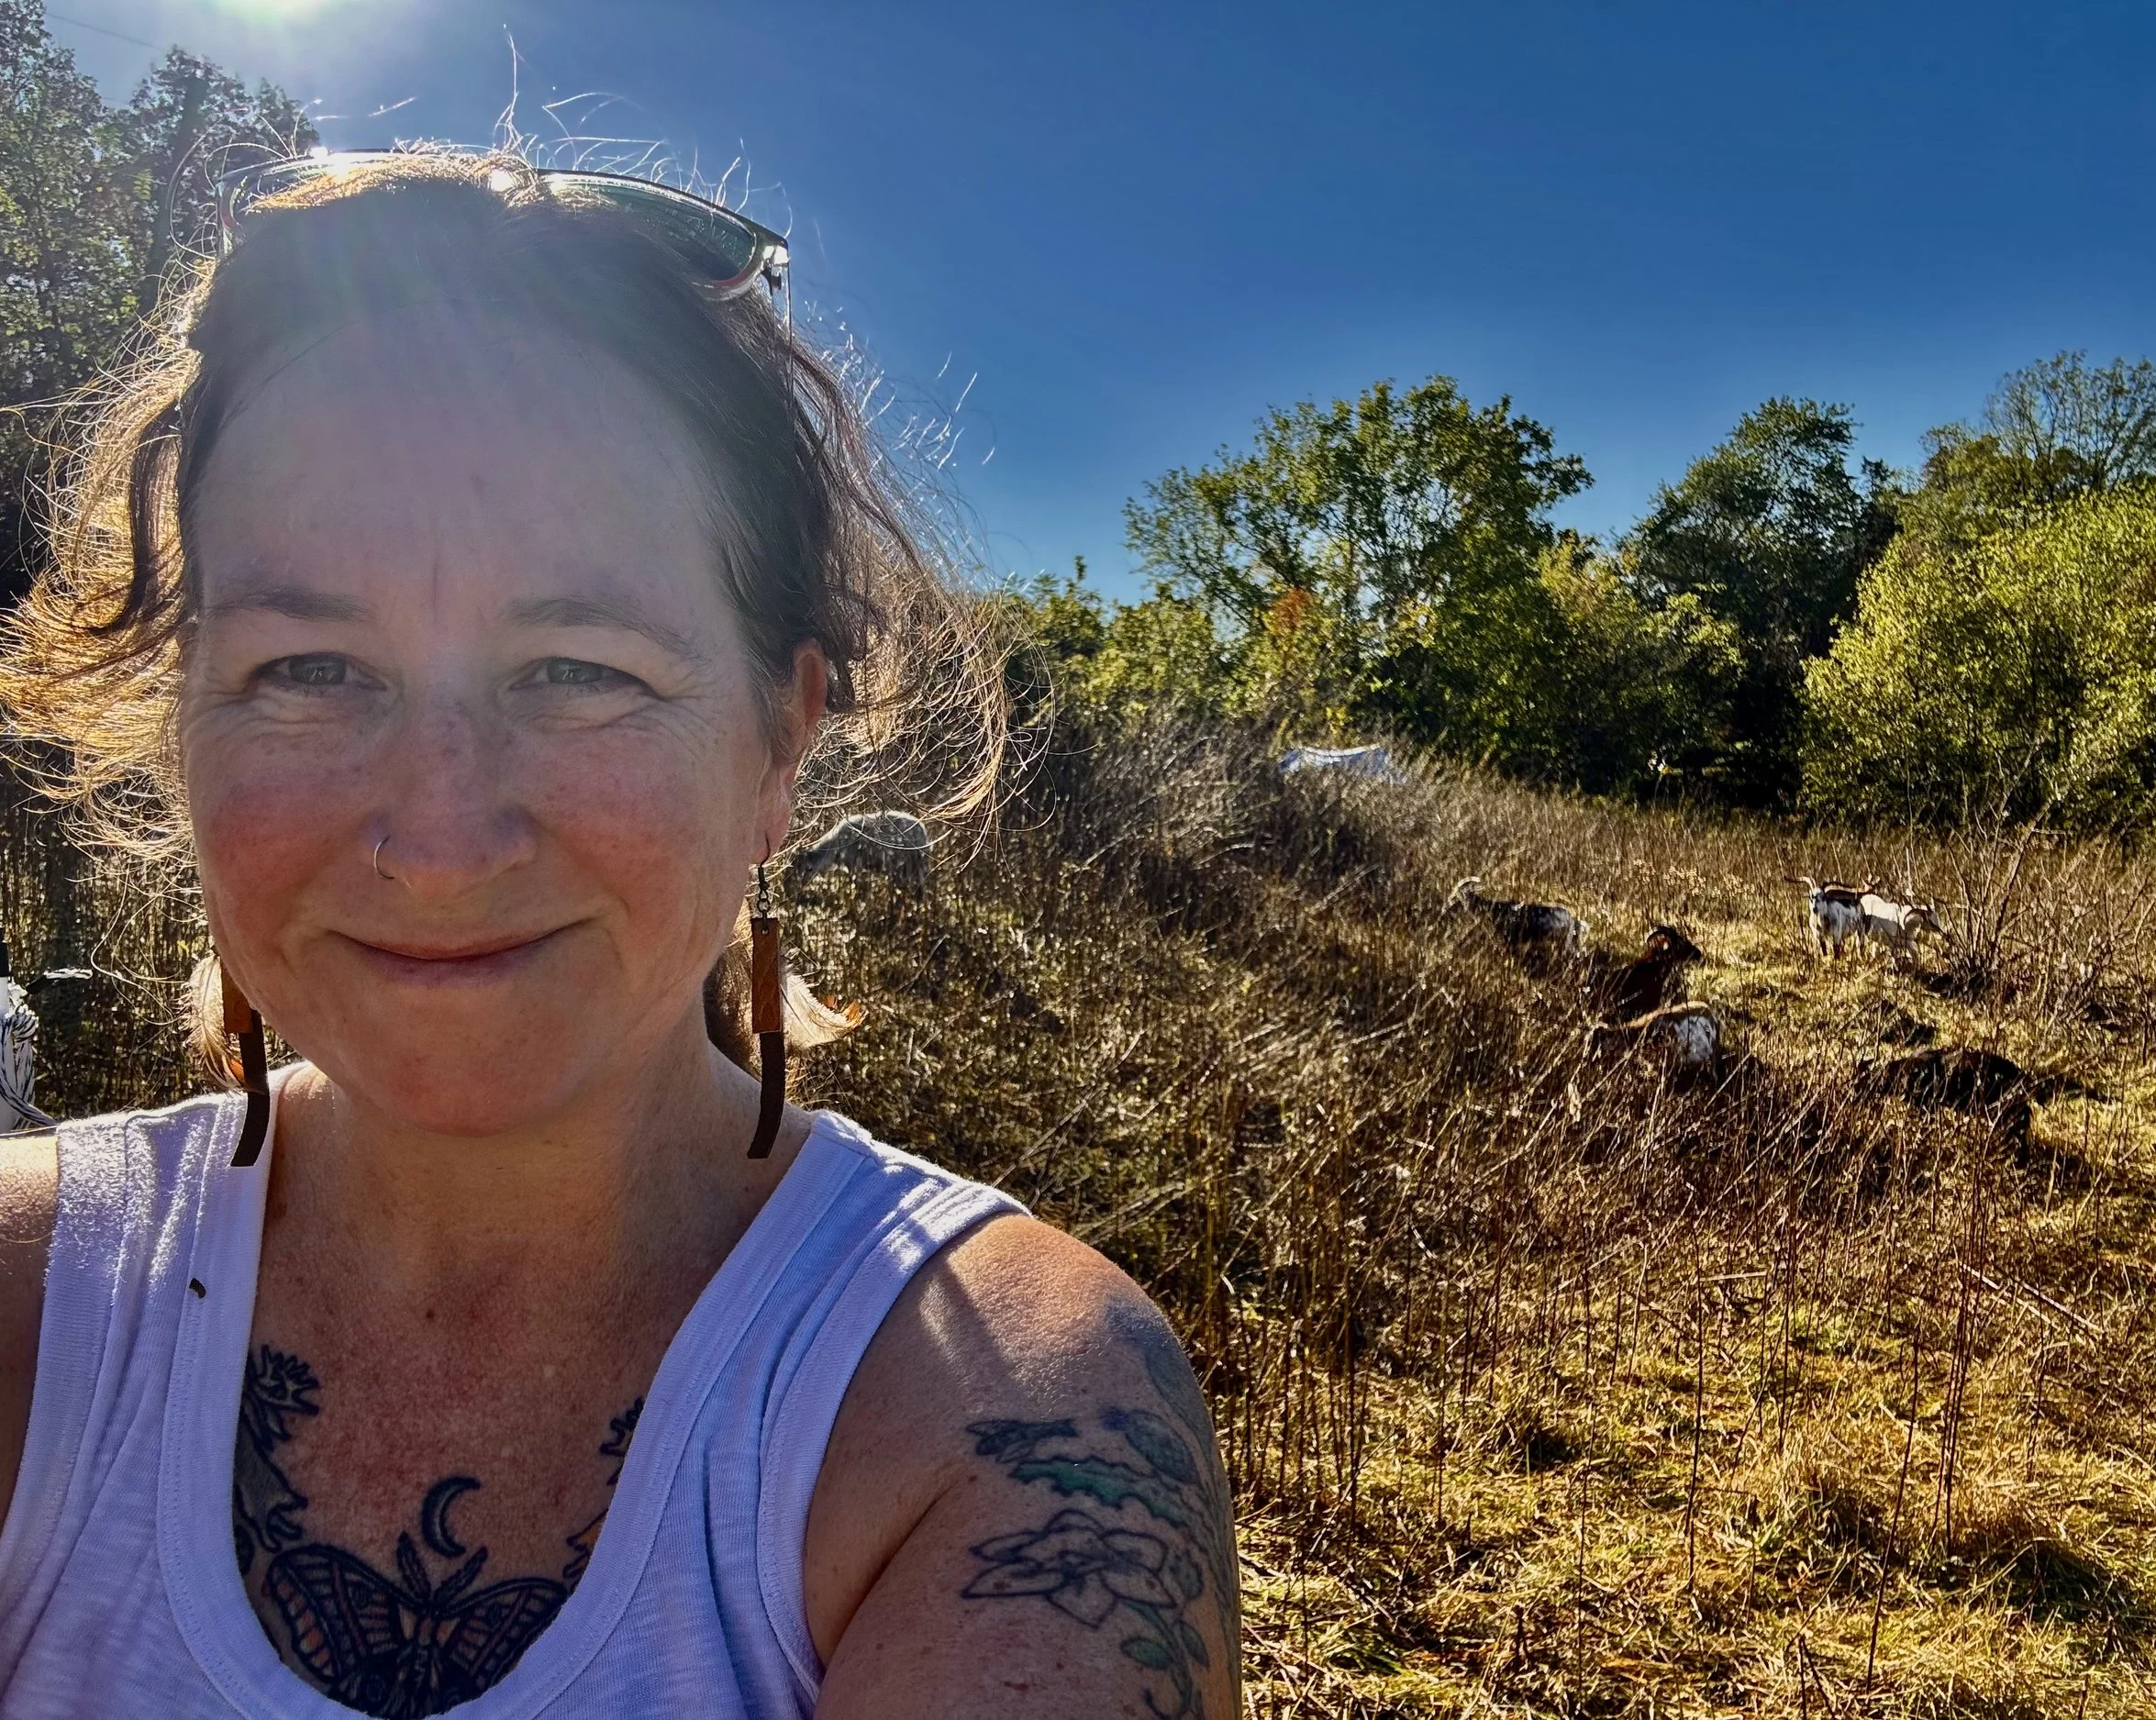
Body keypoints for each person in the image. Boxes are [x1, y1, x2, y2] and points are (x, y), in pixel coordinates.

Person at [0, 150, 1239, 1719]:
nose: (439, 844)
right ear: (185, 724)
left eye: (576, 668)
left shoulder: (998, 1418)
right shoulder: (25, 1305)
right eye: (309, 667)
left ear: (780, 745)